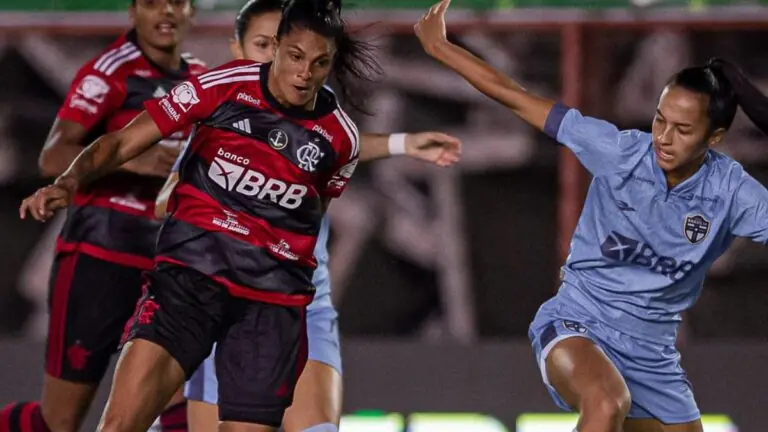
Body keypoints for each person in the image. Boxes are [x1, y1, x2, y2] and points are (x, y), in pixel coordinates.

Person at [20, 0, 381, 430]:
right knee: (113, 424)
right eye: (296, 56)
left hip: (268, 306)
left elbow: (314, 211)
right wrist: (68, 180)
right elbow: (120, 142)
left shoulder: (341, 137)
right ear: (278, 47)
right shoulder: (221, 86)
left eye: (320, 63)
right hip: (188, 284)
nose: (305, 73)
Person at [415, 1, 768, 431]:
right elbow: (516, 97)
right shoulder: (619, 151)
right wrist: (442, 49)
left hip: (652, 356)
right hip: (578, 326)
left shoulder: (734, 193)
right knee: (604, 400)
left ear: (714, 138)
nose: (664, 138)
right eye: (660, 120)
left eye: (684, 129)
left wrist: (751, 99)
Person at [153, 1, 461, 431]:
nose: (280, 59)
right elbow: (165, 203)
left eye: (295, 50)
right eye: (264, 45)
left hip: (299, 305)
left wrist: (402, 144)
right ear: (239, 51)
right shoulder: (217, 126)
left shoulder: (324, 123)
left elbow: (345, 148)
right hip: (221, 306)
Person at [1, 0, 204, 431]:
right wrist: (131, 158)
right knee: (59, 420)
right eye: (152, 2)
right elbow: (52, 156)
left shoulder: (201, 79)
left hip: (168, 265)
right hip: (102, 255)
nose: (166, 12)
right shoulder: (110, 70)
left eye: (177, 2)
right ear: (132, 11)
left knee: (176, 398)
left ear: (191, 11)